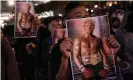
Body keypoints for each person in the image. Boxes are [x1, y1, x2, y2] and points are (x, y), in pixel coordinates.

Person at [58, 2, 120, 80]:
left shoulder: (99, 39)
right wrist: (64, 59)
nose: (84, 18)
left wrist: (113, 55)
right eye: (79, 16)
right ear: (66, 21)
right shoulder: (60, 47)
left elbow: (105, 56)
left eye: (86, 15)